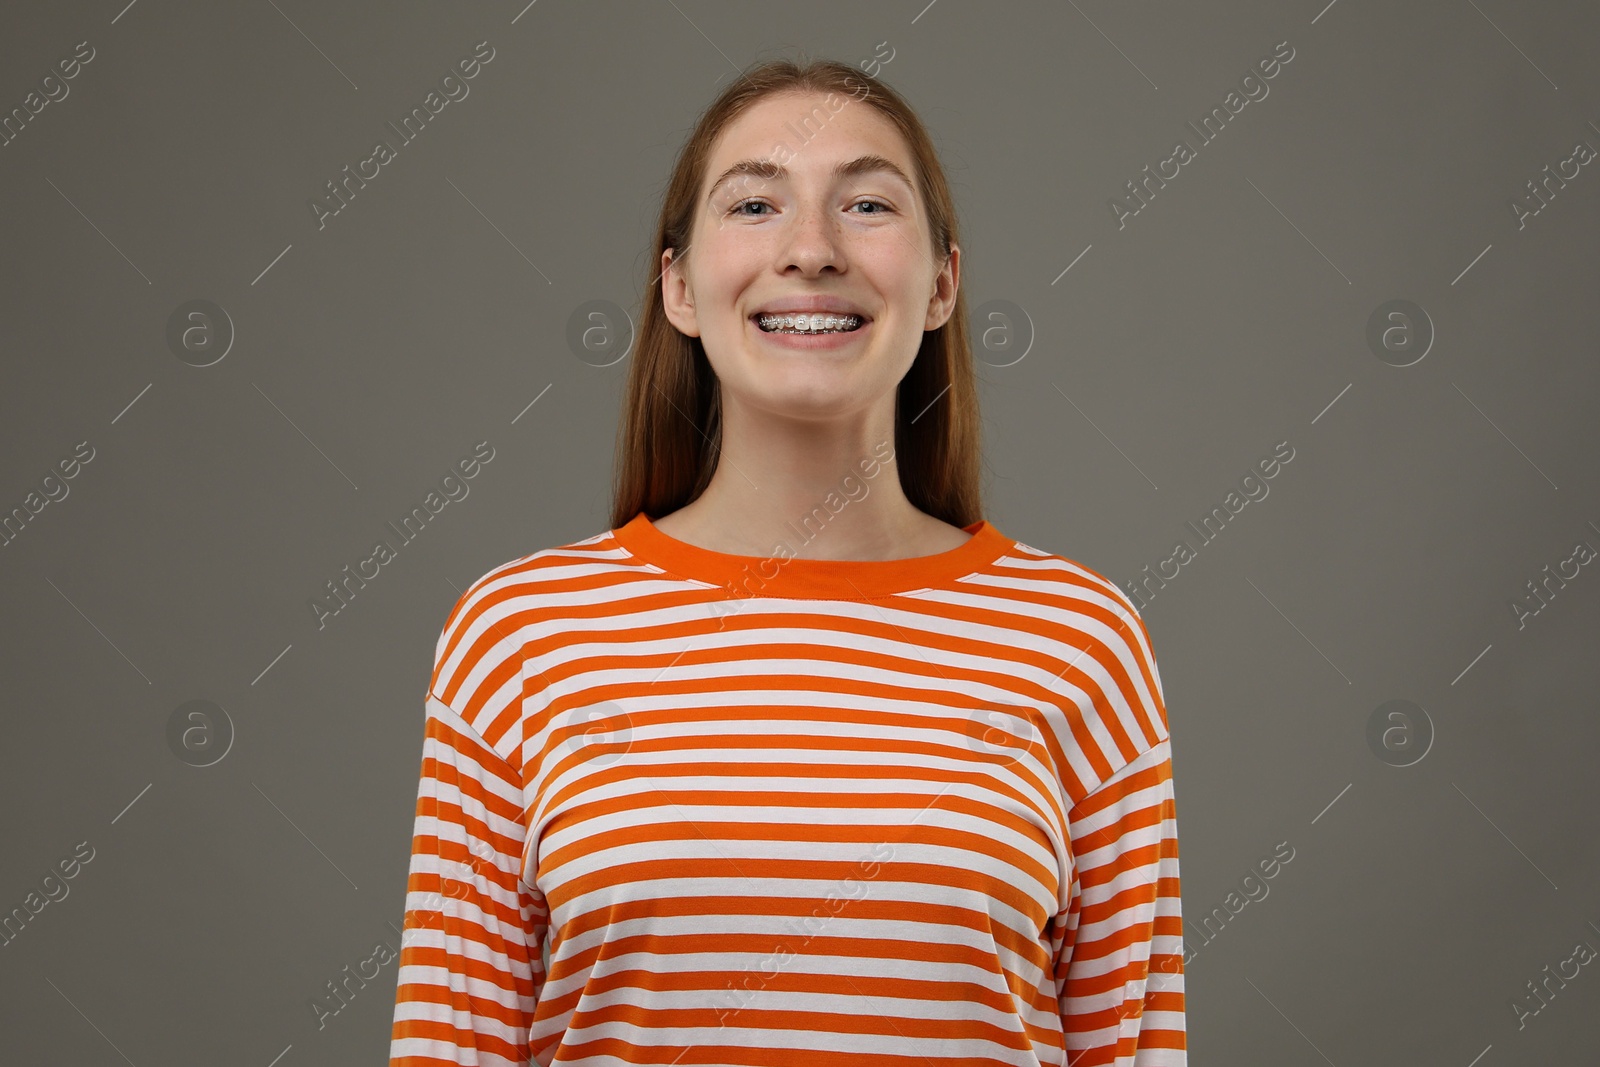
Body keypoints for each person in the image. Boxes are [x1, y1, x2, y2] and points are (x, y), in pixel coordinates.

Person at [390, 55, 1185, 1066]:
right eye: (756, 203)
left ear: (942, 282)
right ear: (677, 284)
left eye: (866, 203)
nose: (811, 249)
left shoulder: (1081, 641)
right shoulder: (518, 634)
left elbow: (1133, 1046)